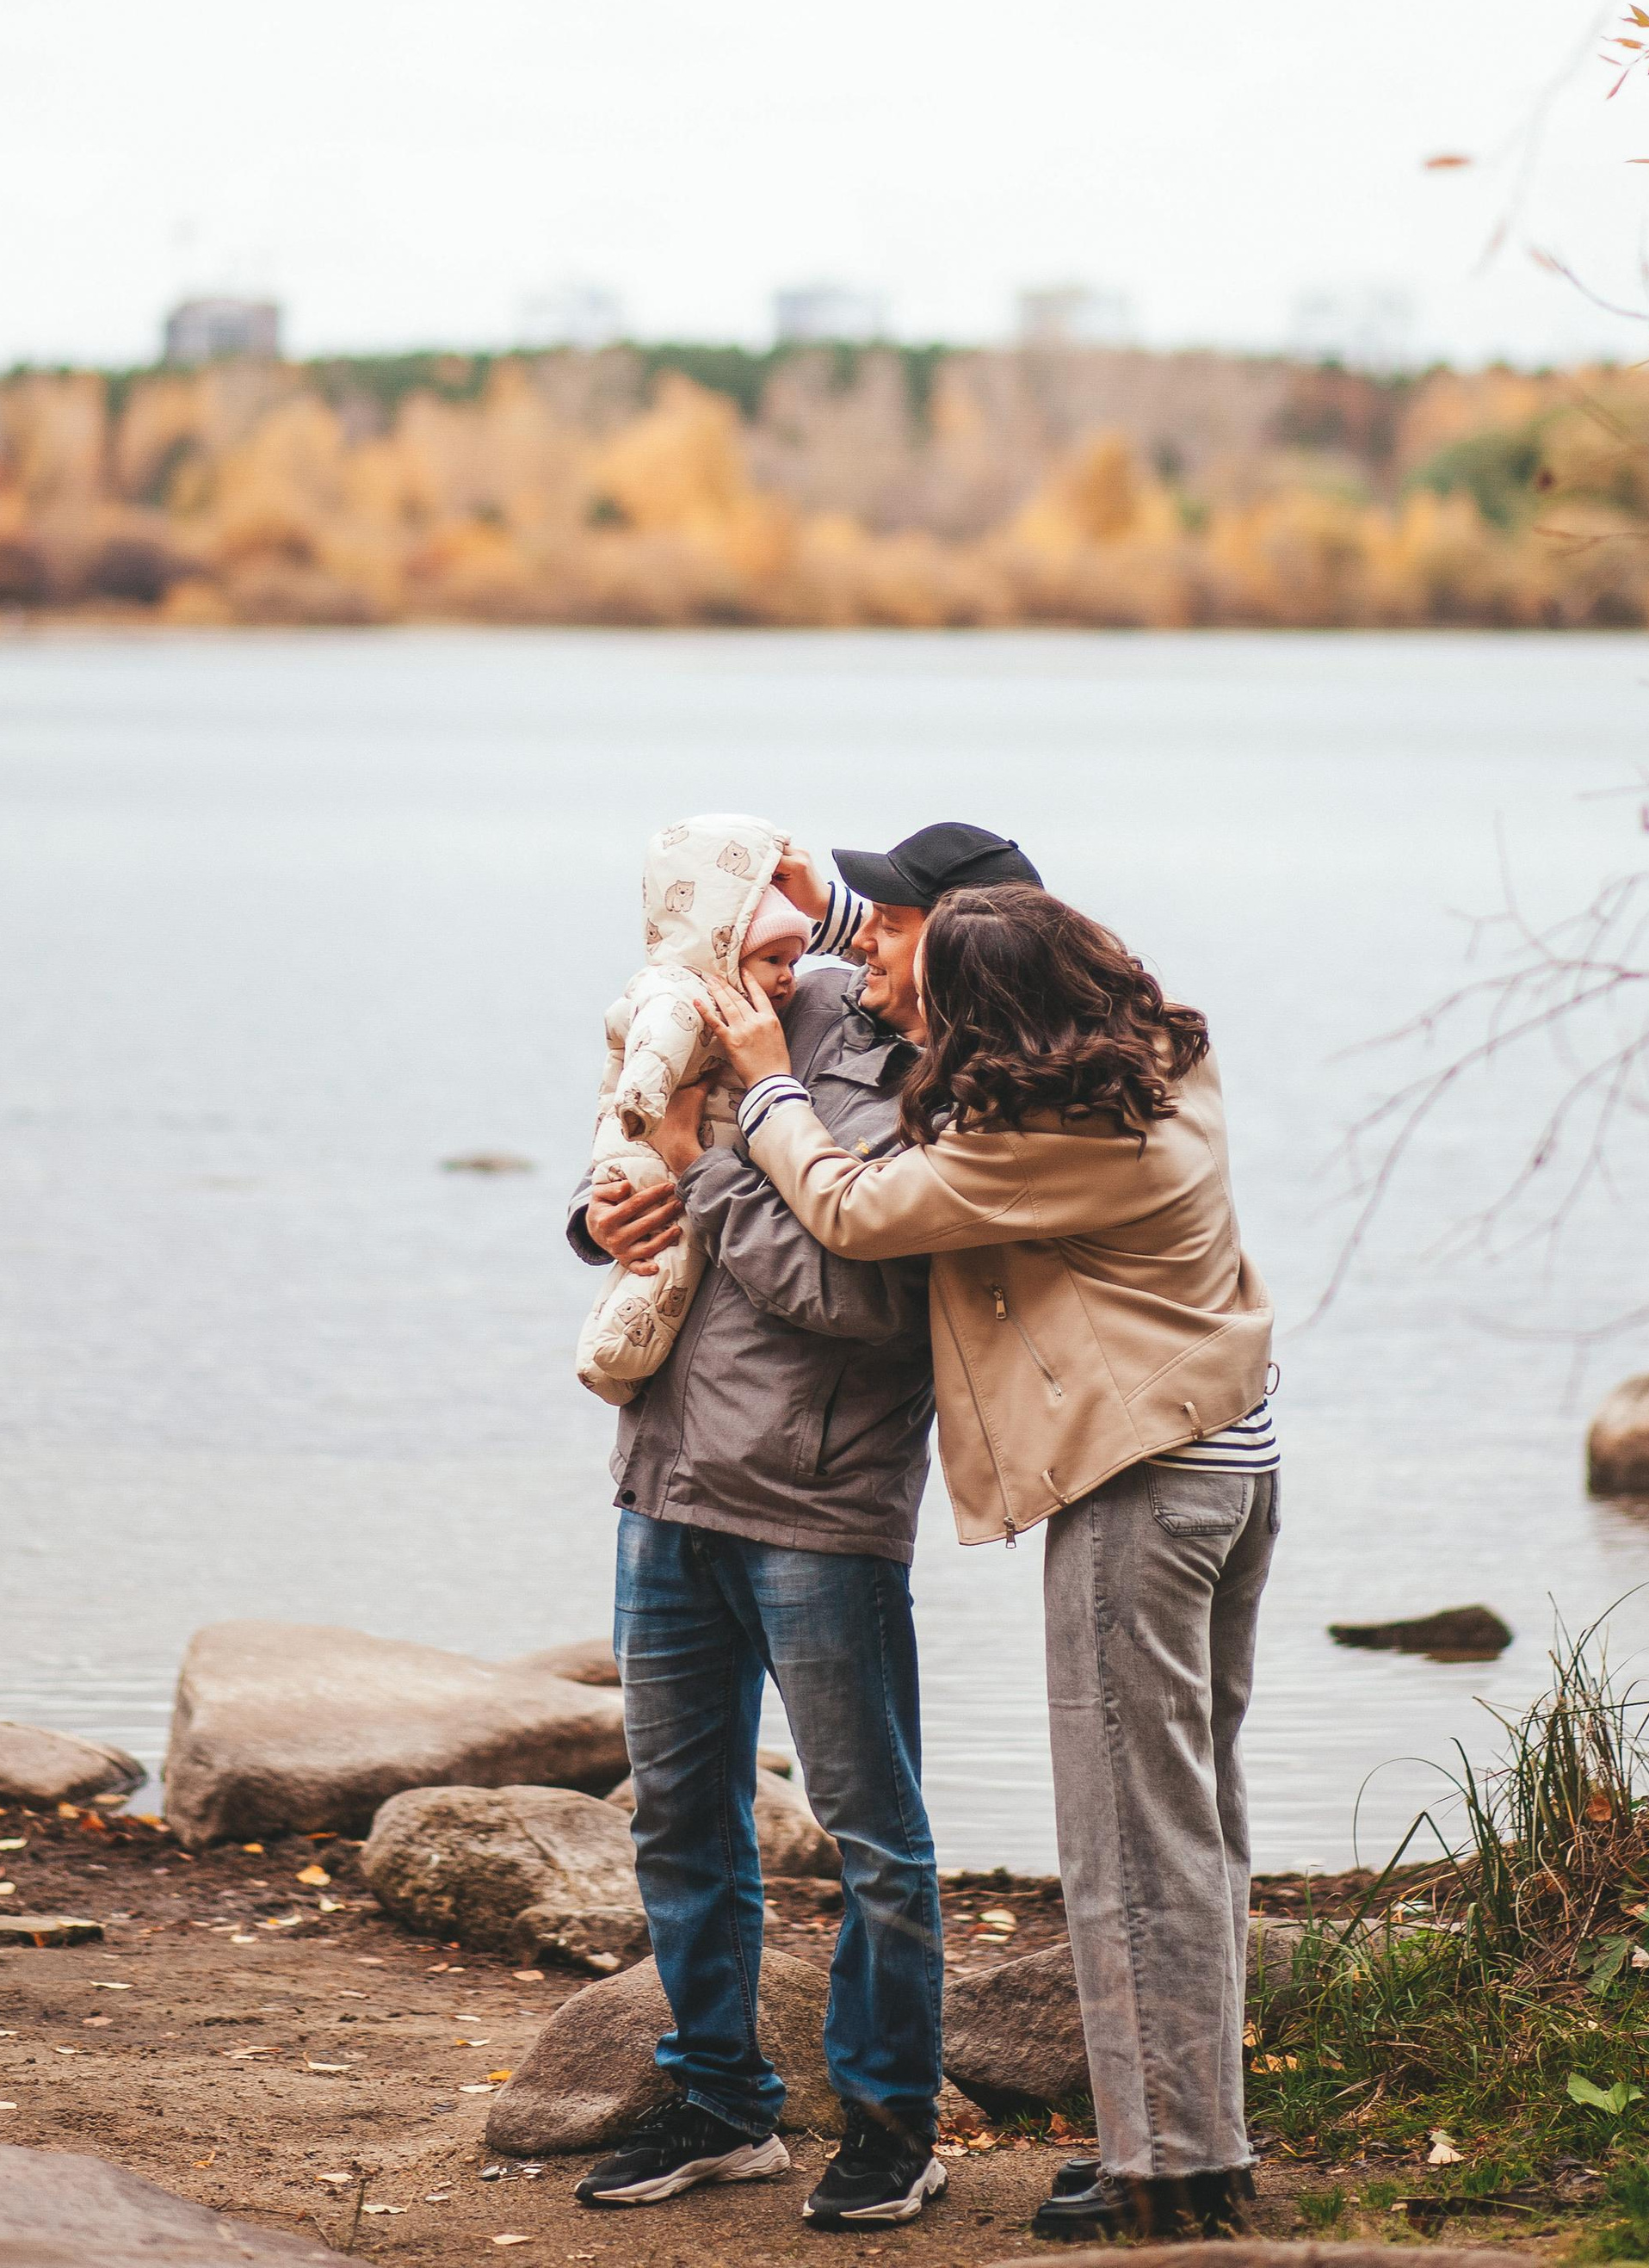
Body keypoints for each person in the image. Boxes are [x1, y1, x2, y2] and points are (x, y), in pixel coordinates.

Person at [707, 885, 1276, 2250]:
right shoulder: (1161, 1065)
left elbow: (848, 1208)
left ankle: (1163, 2181)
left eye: (928, 991)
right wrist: (839, 909)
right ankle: (1203, 2147)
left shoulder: (1039, 1145)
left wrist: (767, 1084)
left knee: (1125, 1846)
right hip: (1233, 1468)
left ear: (988, 1018)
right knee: (1197, 1832)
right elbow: (999, 955)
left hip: (1138, 1483)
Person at [565, 821, 1043, 2231]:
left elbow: (867, 1302)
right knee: (680, 1822)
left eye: (890, 916)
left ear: (963, 939)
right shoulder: (778, 998)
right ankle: (721, 2104)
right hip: (663, 1481)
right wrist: (603, 1216)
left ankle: (894, 2124)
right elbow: (626, 1167)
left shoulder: (968, 1099)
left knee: (873, 1839)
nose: (855, 932)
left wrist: (705, 1180)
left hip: (821, 1512)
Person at [574, 814, 817, 1401]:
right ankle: (609, 1361)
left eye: (793, 962)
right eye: (772, 962)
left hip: (743, 1399)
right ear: (731, 953)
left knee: (666, 1269)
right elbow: (648, 1062)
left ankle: (614, 1360)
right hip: (648, 1150)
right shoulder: (676, 994)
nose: (787, 980)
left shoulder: (809, 1015)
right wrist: (593, 1217)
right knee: (655, 1260)